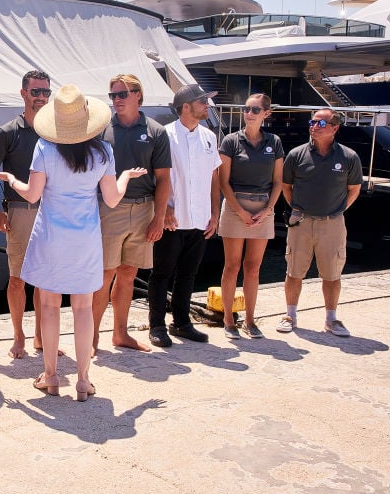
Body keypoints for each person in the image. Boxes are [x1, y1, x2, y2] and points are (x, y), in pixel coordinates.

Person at [0, 84, 145, 400]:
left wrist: (12, 181)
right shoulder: (103, 151)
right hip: (85, 240)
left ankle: (50, 376)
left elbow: (33, 195)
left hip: (50, 237)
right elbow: (112, 199)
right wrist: (125, 177)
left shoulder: (45, 149)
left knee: (48, 307)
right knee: (82, 309)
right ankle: (83, 380)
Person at [91, 74, 171, 353]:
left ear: (138, 94)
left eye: (122, 94)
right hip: (109, 209)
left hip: (143, 209)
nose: (117, 100)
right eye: (113, 95)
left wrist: (159, 218)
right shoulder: (101, 130)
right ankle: (91, 338)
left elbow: (163, 179)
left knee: (128, 274)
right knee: (104, 275)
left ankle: (120, 334)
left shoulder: (156, 131)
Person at [147, 84, 221, 348]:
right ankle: (156, 325)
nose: (207, 106)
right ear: (186, 106)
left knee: (188, 274)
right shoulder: (164, 135)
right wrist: (164, 208)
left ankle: (181, 323)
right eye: (203, 102)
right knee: (161, 273)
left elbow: (214, 176)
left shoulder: (209, 136)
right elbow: (156, 176)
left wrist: (215, 212)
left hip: (200, 218)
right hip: (172, 219)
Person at [278, 108, 362, 336]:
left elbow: (354, 189)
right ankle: (290, 315)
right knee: (294, 270)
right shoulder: (296, 155)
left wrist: (337, 211)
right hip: (301, 221)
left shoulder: (348, 157)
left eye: (321, 124)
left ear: (335, 128)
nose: (314, 126)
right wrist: (297, 208)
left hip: (332, 223)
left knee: (332, 273)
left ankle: (331, 319)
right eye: (312, 122)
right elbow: (286, 186)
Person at [0, 70, 49, 358]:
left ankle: (40, 337)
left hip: (49, 210)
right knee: (17, 278)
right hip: (20, 211)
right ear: (23, 93)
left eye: (46, 92)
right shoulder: (9, 131)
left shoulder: (55, 131)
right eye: (36, 92)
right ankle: (19, 336)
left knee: (46, 279)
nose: (41, 97)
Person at [217, 93, 284, 339]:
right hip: (236, 207)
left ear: (266, 113)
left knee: (253, 268)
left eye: (255, 110)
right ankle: (228, 319)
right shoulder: (231, 141)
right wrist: (239, 210)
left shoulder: (274, 142)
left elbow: (278, 181)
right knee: (232, 266)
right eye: (246, 109)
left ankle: (250, 319)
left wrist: (268, 210)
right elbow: (223, 182)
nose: (249, 113)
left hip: (263, 208)